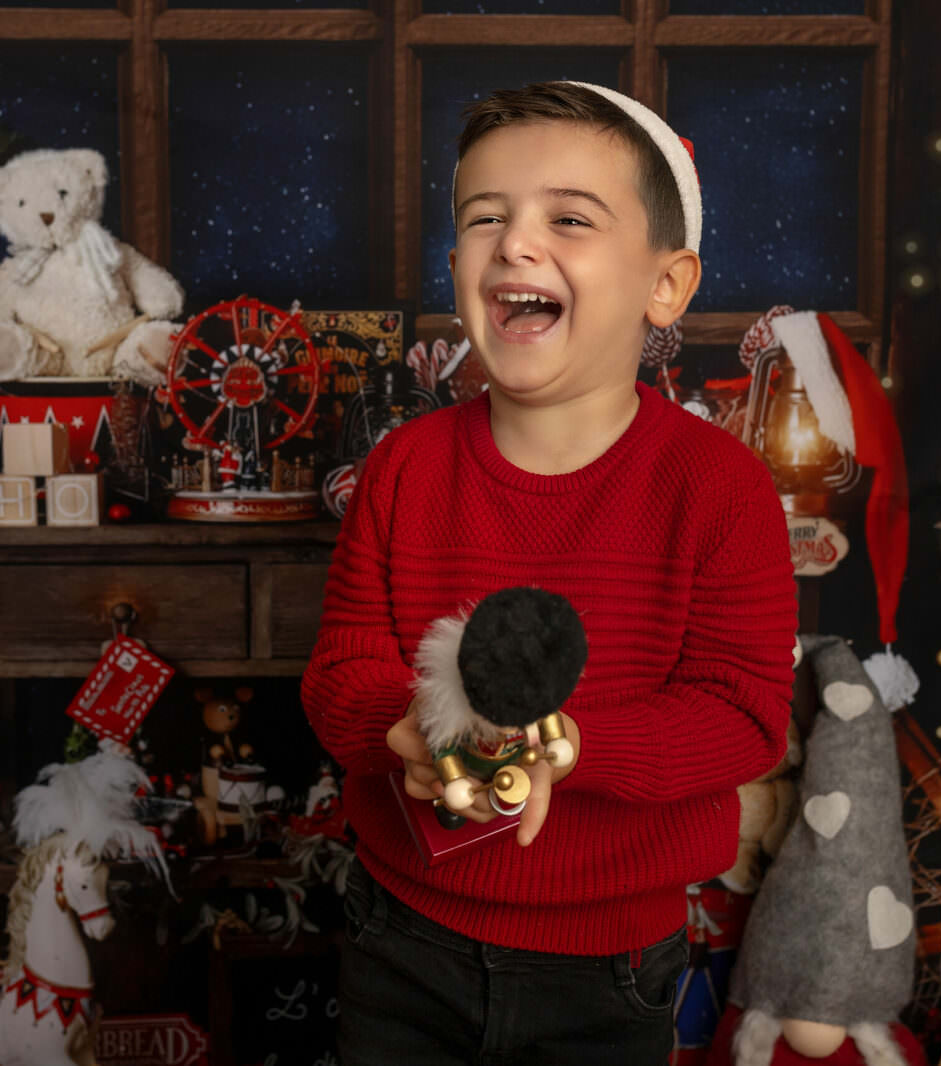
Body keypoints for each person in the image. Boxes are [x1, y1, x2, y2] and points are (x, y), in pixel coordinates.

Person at [300, 80, 798, 1066]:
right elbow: (341, 668)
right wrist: (399, 728)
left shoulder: (719, 485)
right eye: (485, 218)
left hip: (608, 963)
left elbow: (741, 715)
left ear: (666, 284)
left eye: (568, 218)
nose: (515, 243)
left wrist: (569, 745)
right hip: (401, 937)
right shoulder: (405, 465)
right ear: (455, 269)